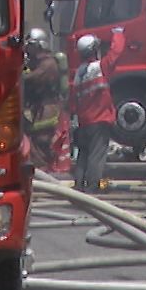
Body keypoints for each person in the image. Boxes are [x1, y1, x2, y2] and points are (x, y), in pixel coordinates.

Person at [69, 27, 126, 193]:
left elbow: (73, 100)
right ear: (94, 50)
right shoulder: (100, 67)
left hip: (83, 121)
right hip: (99, 120)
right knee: (96, 155)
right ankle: (93, 188)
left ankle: (79, 185)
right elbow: (116, 52)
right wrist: (118, 33)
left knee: (83, 156)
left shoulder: (79, 73)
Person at [21, 28, 66, 172]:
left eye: (31, 46)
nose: (29, 50)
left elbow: (32, 78)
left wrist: (18, 74)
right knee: (35, 141)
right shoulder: (37, 64)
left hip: (47, 109)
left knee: (41, 141)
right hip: (39, 107)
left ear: (40, 46)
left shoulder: (48, 64)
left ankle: (44, 172)